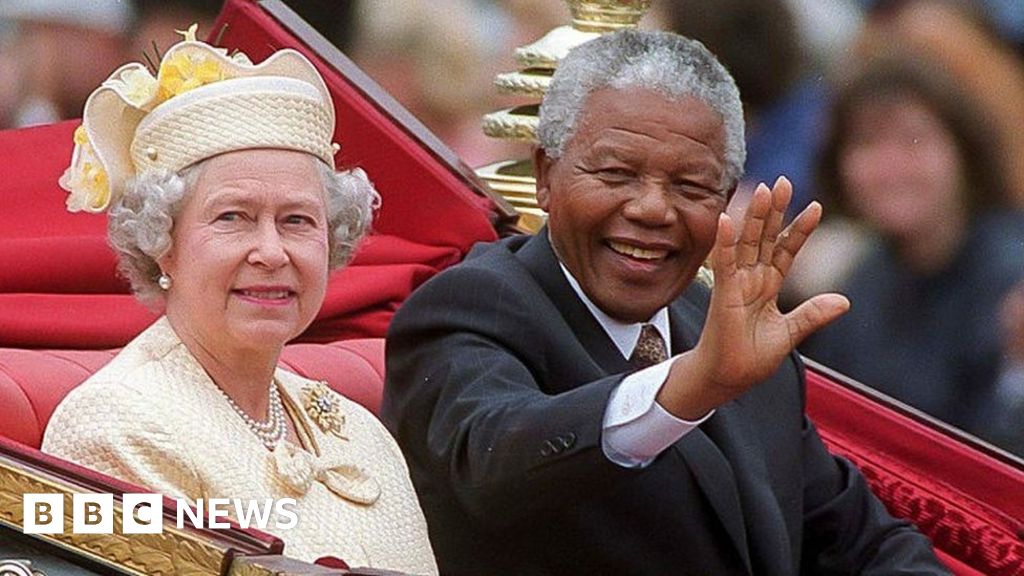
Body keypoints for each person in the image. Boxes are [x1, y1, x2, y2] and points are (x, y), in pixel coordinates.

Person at [383, 30, 949, 575]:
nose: (653, 209)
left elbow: (857, 542)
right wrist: (691, 387)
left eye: (690, 186)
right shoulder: (469, 309)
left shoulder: (727, 330)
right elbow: (492, 462)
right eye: (616, 173)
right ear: (545, 176)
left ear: (726, 201)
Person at [41, 27, 437, 574]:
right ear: (162, 245)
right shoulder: (114, 429)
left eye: (297, 221)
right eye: (233, 218)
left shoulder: (357, 428)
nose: (272, 252)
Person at [801, 56, 1024, 453]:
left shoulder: (1012, 273)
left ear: (963, 151)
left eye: (914, 141)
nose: (891, 167)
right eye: (867, 144)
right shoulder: (864, 279)